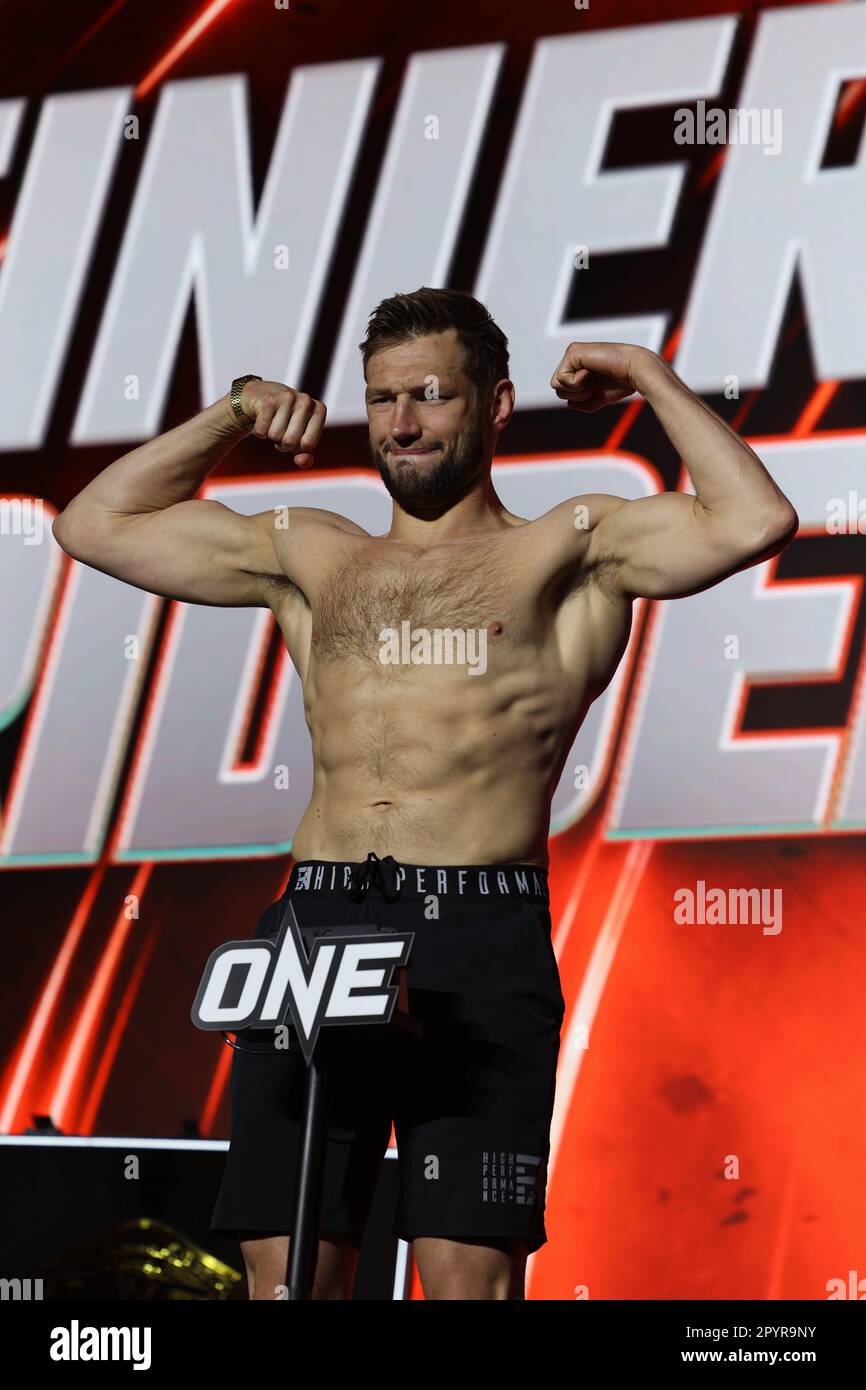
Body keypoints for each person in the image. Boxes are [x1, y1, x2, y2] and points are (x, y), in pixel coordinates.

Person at [52, 287, 798, 1299]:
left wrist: (644, 374)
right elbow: (97, 524)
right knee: (286, 1283)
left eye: (431, 395)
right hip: (315, 923)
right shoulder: (311, 551)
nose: (399, 422)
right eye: (382, 398)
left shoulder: (570, 551)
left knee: (463, 1286)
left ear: (494, 404)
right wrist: (231, 413)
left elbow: (753, 518)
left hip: (478, 937)